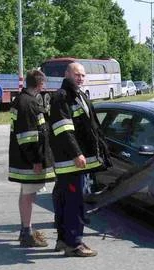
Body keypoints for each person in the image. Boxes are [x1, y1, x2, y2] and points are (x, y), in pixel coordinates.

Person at [49, 62, 110, 257]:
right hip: (70, 162)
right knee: (74, 203)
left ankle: (62, 240)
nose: (80, 78)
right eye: (77, 74)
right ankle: (74, 244)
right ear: (67, 74)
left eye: (83, 75)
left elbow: (91, 127)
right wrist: (76, 153)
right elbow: (64, 130)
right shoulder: (61, 97)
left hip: (76, 162)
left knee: (64, 201)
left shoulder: (80, 95)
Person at [8, 69, 55, 247]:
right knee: (29, 194)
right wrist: (36, 160)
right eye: (44, 83)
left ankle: (24, 230)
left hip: (23, 158)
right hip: (28, 160)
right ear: (40, 84)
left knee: (25, 193)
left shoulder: (22, 100)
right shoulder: (27, 103)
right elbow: (28, 137)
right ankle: (27, 233)